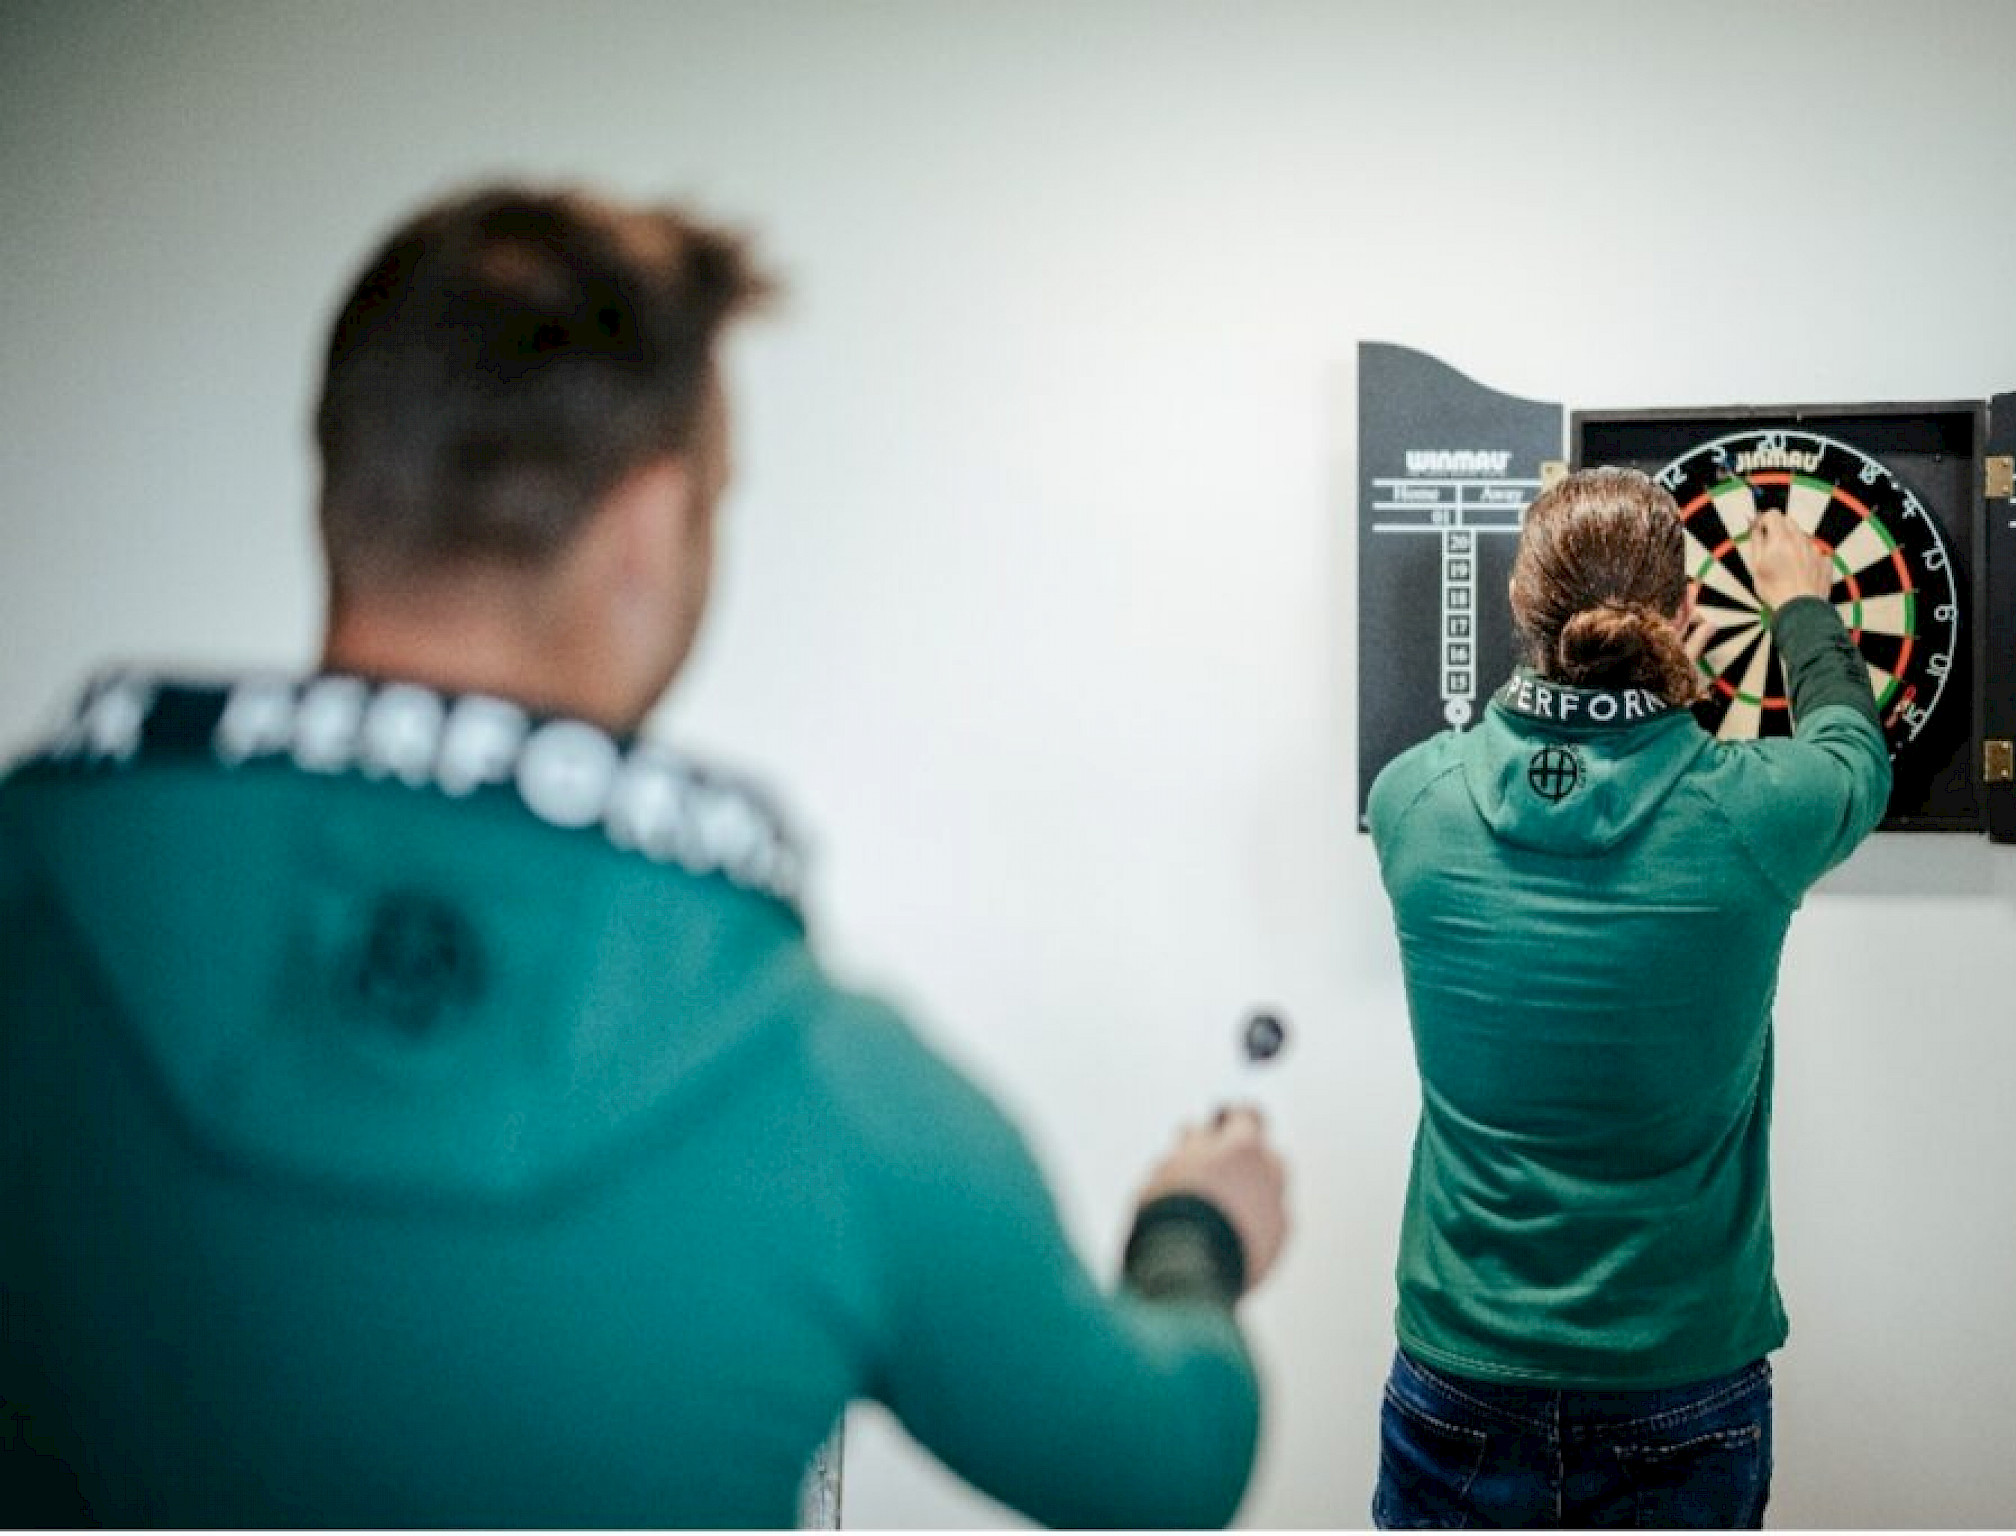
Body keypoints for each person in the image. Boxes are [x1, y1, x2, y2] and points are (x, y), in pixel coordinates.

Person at [0, 185, 1287, 1528]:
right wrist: (1195, 1236)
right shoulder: (833, 1092)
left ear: (343, 482)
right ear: (649, 528)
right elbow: (1159, 1468)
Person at [1364, 467, 1890, 1528]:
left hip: (1459, 1367)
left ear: (1519, 603)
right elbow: (1850, 755)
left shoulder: (1410, 800)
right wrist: (1795, 602)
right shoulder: (1757, 814)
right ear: (1686, 615)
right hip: (1678, 1377)